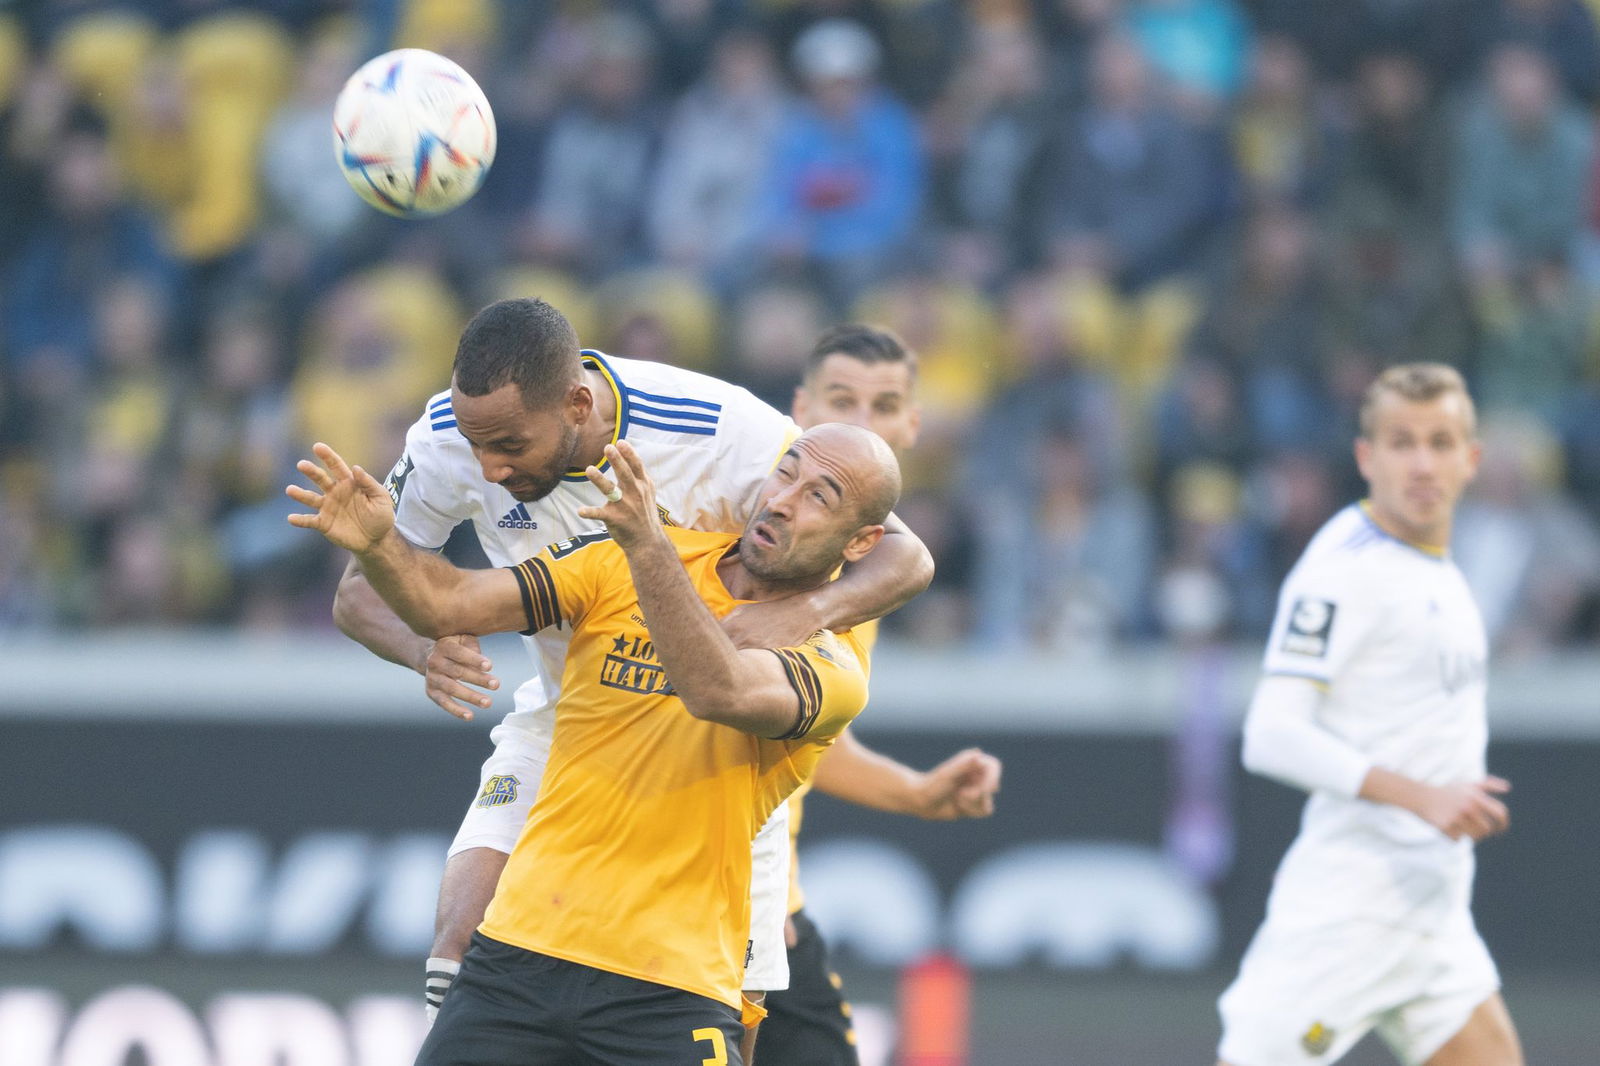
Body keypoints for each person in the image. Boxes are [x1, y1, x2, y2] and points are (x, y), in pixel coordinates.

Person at [328, 299, 933, 1030]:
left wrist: (801, 614)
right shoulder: (450, 440)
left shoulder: (723, 430)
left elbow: (906, 553)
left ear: (578, 404)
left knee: (729, 1018)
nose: (489, 467)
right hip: (570, 712)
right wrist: (425, 649)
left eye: (512, 445)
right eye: (477, 443)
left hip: (718, 750)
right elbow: (365, 595)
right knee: (459, 946)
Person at [1217, 363, 1524, 1066]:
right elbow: (1271, 735)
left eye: (1441, 442)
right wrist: (1423, 799)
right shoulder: (1344, 569)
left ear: (1470, 460)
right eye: (1402, 442)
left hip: (1434, 915)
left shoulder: (1437, 566)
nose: (1422, 463)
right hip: (1350, 915)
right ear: (1366, 457)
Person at [760, 323, 1003, 1066]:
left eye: (884, 405)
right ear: (798, 408)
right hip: (711, 895)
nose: (862, 423)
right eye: (841, 400)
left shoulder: (869, 559)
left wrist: (919, 792)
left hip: (770, 896)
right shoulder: (751, 535)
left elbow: (800, 736)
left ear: (911, 427)